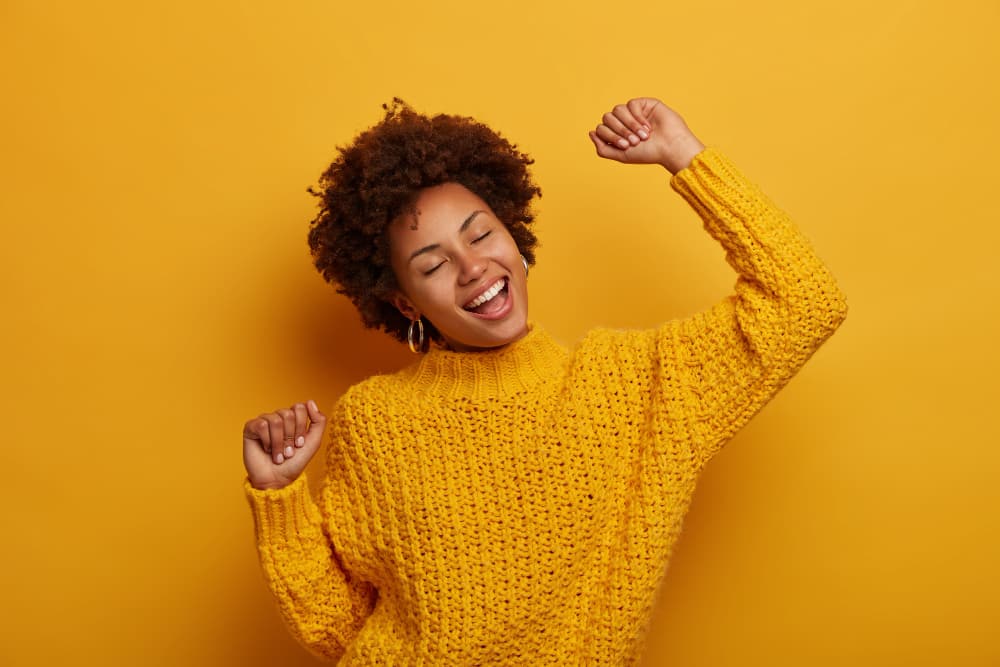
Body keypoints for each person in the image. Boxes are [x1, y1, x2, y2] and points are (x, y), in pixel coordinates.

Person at [241, 97, 847, 664]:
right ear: (405, 304)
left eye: (481, 234)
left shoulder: (632, 385)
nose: (473, 267)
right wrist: (280, 500)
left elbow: (804, 302)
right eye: (433, 264)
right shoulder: (373, 419)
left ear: (515, 238)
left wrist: (685, 157)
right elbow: (335, 628)